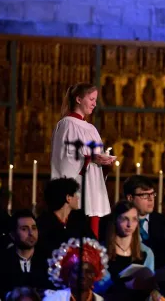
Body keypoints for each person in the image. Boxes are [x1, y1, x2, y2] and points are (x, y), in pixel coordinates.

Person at [51, 83, 114, 238]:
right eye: (91, 99)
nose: (94, 103)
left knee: (93, 238)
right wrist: (90, 158)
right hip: (78, 190)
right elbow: (64, 159)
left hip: (92, 189)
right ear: (78, 99)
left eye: (95, 100)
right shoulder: (66, 124)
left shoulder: (91, 129)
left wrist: (105, 163)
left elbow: (96, 157)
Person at [122, 175, 165, 270]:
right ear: (130, 198)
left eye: (152, 194)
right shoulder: (119, 222)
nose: (151, 199)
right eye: (145, 195)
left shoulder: (164, 222)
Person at [37, 177, 94, 256]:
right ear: (68, 198)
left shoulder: (79, 219)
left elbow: (93, 243)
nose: (77, 198)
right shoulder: (43, 223)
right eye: (75, 194)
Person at [43, 237, 107, 301]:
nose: (82, 275)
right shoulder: (54, 299)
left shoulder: (100, 300)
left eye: (88, 272)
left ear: (95, 276)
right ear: (68, 275)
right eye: (78, 271)